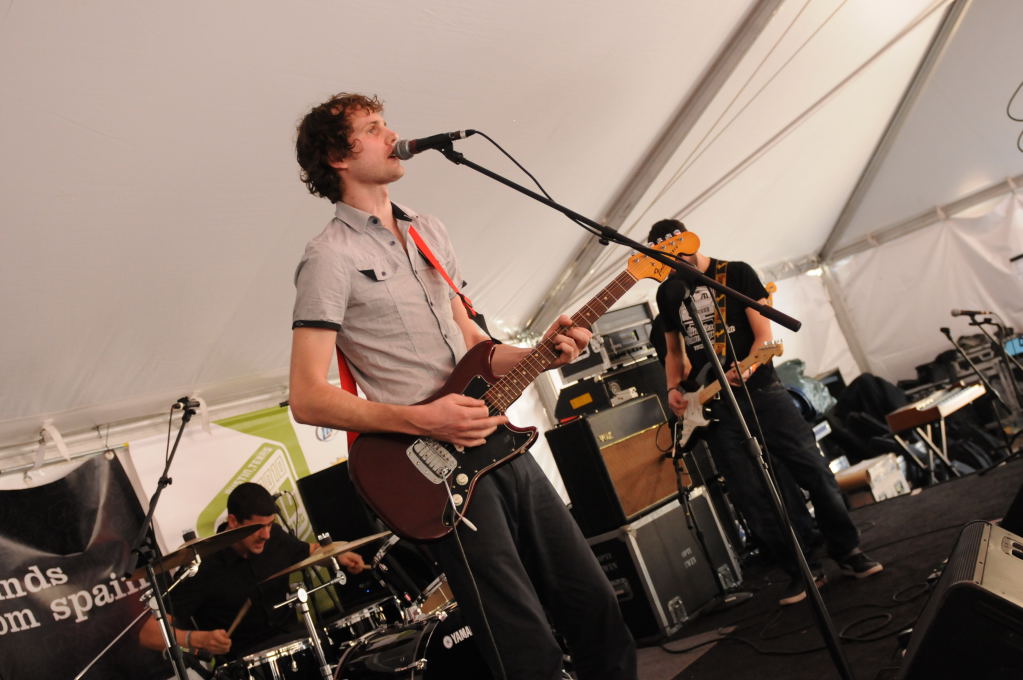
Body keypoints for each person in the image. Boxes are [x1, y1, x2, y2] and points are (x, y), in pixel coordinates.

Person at [289, 92, 636, 680]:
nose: (392, 135)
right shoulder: (328, 257)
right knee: (522, 642)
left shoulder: (428, 230)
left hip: (500, 443)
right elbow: (307, 397)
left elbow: (475, 343)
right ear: (337, 157)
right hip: (435, 470)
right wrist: (423, 419)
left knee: (594, 603)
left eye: (385, 123)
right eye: (373, 128)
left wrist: (541, 352)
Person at [648, 218, 883, 607]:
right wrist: (674, 388)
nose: (671, 264)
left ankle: (848, 550)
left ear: (689, 243)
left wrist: (748, 368)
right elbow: (675, 351)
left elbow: (763, 336)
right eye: (663, 259)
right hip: (715, 407)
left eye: (674, 254)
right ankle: (801, 569)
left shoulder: (735, 273)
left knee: (814, 471)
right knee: (752, 494)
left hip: (762, 392)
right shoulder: (668, 293)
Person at [138, 482, 365, 661]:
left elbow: (312, 551)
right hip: (248, 661)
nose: (266, 535)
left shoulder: (275, 537)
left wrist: (337, 556)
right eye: (258, 527)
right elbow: (149, 633)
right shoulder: (203, 567)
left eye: (270, 524)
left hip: (299, 643)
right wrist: (196, 639)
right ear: (233, 521)